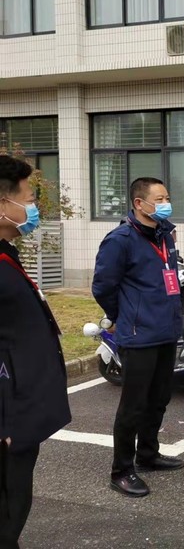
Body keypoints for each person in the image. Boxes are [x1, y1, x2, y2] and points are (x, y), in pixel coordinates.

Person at [92, 177, 184, 498]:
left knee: (159, 399)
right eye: (159, 199)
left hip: (166, 331)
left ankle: (148, 454)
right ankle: (121, 470)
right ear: (139, 204)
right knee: (133, 406)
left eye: (167, 197)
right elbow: (103, 286)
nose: (165, 204)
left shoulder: (164, 234)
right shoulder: (120, 240)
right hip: (138, 334)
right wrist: (123, 316)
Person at [0, 155, 71, 548]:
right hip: (9, 419)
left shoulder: (6, 252)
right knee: (8, 510)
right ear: (3, 204)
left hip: (21, 412)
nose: (33, 208)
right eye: (28, 199)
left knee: (15, 505)